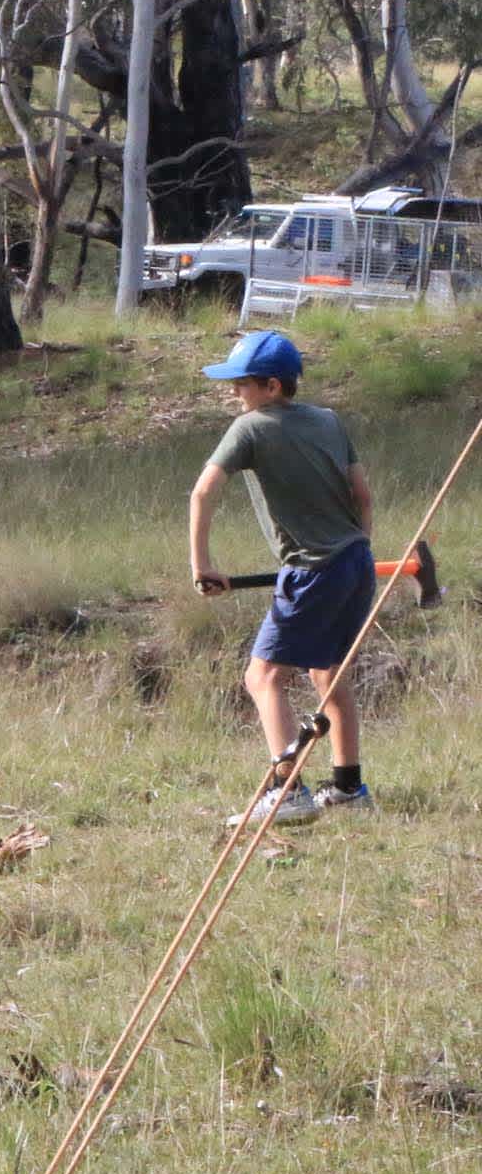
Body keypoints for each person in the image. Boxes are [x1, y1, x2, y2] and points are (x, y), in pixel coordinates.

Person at [189, 330, 376, 828]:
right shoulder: (330, 421)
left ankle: (287, 790)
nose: (236, 394)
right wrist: (357, 549)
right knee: (327, 673)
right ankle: (349, 787)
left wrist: (201, 566)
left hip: (313, 571)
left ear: (271, 386)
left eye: (242, 384)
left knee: (264, 676)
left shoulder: (250, 427)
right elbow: (363, 496)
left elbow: (203, 493)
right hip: (356, 563)